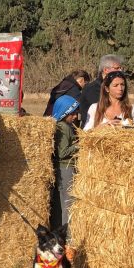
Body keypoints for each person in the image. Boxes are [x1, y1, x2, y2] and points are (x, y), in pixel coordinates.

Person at [49, 95, 79, 230]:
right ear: (65, 112)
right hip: (65, 168)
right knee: (67, 203)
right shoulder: (64, 127)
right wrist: (80, 144)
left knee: (60, 203)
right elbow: (63, 153)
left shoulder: (61, 126)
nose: (75, 116)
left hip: (62, 169)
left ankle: (58, 230)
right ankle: (65, 232)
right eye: (72, 113)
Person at [79, 55, 124, 126]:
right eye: (117, 68)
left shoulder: (119, 88)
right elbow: (104, 111)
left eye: (121, 68)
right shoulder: (92, 89)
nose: (120, 70)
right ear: (106, 70)